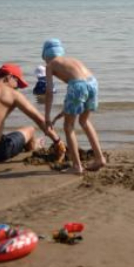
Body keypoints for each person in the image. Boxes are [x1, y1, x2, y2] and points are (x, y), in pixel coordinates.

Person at [0, 63, 60, 164]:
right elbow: (40, 119)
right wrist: (57, 141)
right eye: (17, 83)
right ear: (9, 77)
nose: (16, 88)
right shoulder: (12, 94)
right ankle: (34, 146)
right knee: (30, 130)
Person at [41, 38, 107, 175]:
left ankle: (77, 166)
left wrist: (47, 117)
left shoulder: (50, 65)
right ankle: (100, 158)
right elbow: (82, 86)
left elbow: (49, 92)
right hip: (93, 82)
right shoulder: (72, 60)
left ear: (46, 55)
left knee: (68, 126)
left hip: (78, 86)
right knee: (84, 121)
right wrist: (65, 110)